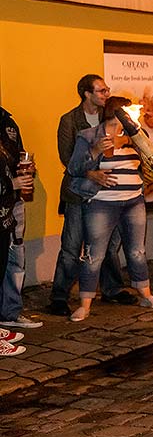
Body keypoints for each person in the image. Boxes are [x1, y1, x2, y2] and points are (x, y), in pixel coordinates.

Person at [66, 97, 153, 322]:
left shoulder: (136, 135)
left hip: (133, 201)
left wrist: (148, 153)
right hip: (102, 203)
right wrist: (94, 151)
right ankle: (85, 305)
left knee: (137, 251)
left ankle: (146, 294)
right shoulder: (90, 136)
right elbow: (73, 168)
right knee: (94, 255)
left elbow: (152, 161)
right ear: (119, 113)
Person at [49, 75, 137, 316]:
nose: (106, 94)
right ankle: (59, 295)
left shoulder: (108, 117)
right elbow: (67, 158)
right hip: (79, 192)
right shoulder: (69, 120)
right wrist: (91, 172)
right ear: (86, 94)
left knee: (107, 245)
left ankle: (112, 289)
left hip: (107, 192)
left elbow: (129, 139)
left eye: (107, 90)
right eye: (101, 91)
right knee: (71, 246)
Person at [0, 106, 41, 329]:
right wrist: (11, 183)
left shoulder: (8, 122)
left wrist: (26, 167)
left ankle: (10, 313)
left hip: (13, 202)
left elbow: (18, 156)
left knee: (15, 255)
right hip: (4, 198)